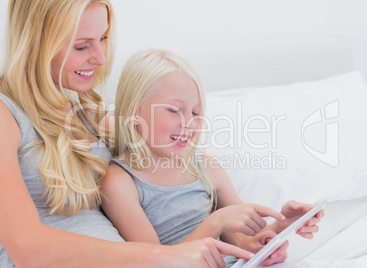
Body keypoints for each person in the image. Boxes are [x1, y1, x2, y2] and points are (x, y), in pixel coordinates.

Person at [0, 1, 254, 267]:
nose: (100, 58)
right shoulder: (6, 114)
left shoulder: (92, 116)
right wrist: (164, 255)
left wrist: (260, 233)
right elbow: (27, 248)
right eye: (81, 45)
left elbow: (172, 185)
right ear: (35, 42)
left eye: (103, 38)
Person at [101, 49, 325, 267]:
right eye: (174, 110)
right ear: (134, 112)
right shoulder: (120, 181)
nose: (189, 122)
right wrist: (215, 222)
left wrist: (281, 226)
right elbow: (155, 261)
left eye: (196, 113)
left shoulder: (206, 169)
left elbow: (245, 243)